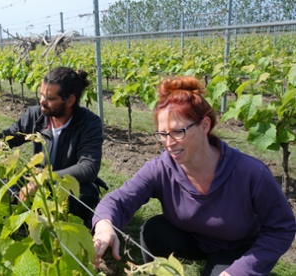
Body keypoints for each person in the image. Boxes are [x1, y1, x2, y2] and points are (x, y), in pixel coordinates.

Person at [91, 76, 296, 275]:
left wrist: (241, 270)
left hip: (234, 246)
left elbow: (281, 228)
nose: (169, 142)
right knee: (154, 230)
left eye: (178, 131)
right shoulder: (162, 168)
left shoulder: (250, 172)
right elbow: (119, 200)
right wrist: (104, 225)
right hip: (192, 239)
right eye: (162, 134)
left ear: (204, 126)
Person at [0, 66, 107, 229]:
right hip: (38, 177)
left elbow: (89, 167)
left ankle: (73, 236)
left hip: (69, 183)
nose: (42, 101)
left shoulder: (89, 123)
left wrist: (45, 179)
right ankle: (24, 228)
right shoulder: (36, 115)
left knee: (83, 199)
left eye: (49, 98)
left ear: (70, 100)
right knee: (8, 192)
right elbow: (7, 138)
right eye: (41, 95)